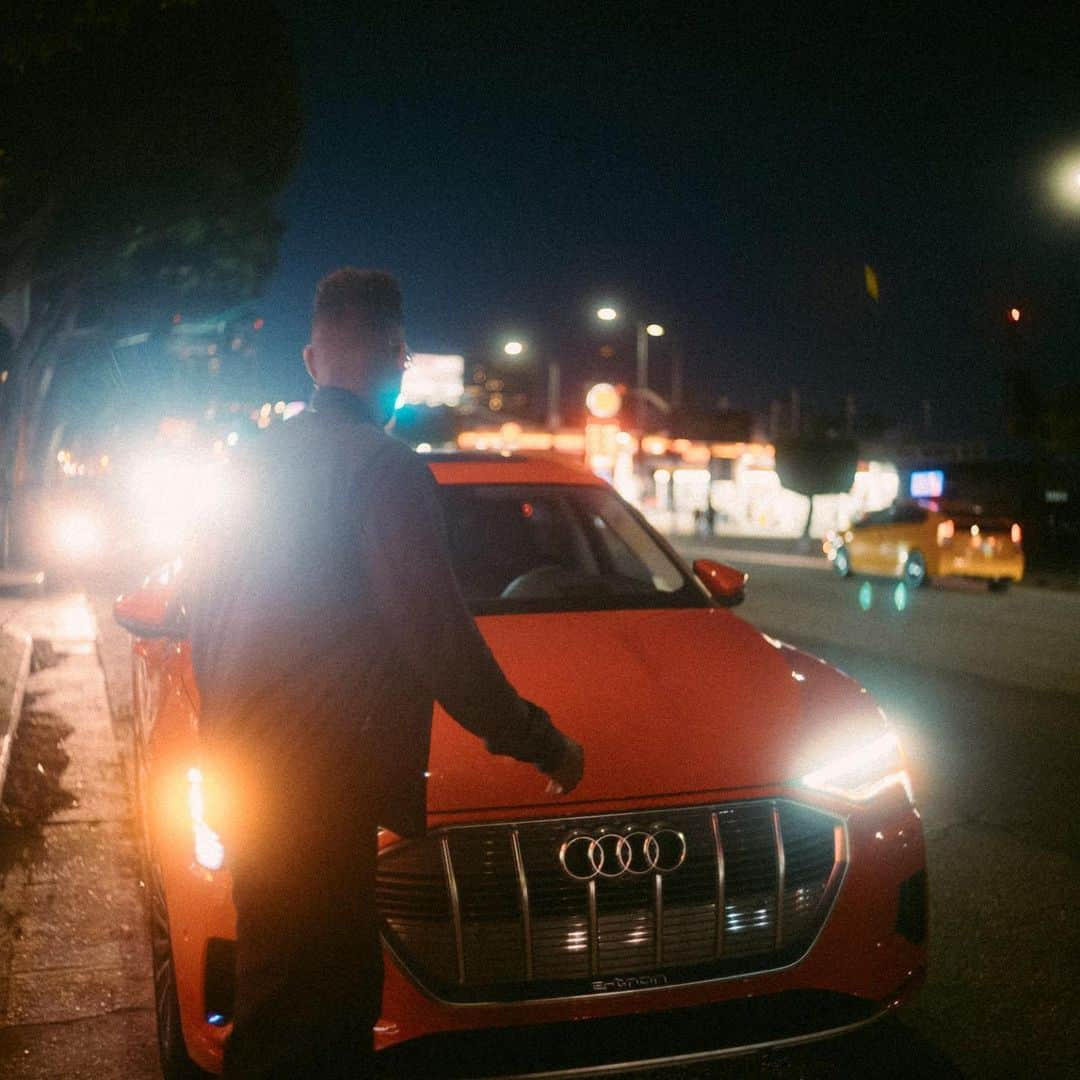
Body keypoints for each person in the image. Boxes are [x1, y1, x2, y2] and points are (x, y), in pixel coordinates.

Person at [186, 268, 584, 1079]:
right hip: (320, 790)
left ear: (308, 357)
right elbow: (436, 636)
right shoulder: (384, 468)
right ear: (400, 356)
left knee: (270, 1001)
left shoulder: (248, 464)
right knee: (325, 1013)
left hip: (246, 776)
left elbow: (207, 618)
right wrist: (539, 740)